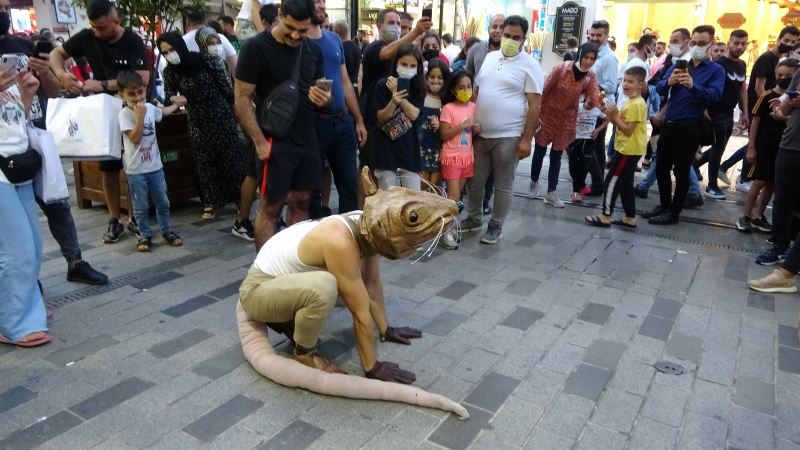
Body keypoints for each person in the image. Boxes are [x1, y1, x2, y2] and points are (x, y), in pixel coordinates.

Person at [238, 168, 456, 380]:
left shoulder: (368, 222)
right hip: (258, 291)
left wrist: (385, 329)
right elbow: (360, 312)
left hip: (282, 284)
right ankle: (304, 353)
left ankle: (287, 320)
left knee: (345, 286)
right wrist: (372, 366)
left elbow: (372, 284)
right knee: (326, 287)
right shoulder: (342, 241)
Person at [0, 4, 107, 285]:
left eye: (5, 7)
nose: (4, 11)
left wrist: (45, 73)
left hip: (34, 132)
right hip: (4, 144)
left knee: (56, 201)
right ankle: (25, 280)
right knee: (15, 220)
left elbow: (50, 91)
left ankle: (75, 261)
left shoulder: (22, 44)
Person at [49, 0, 149, 245]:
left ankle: (137, 217)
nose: (97, 33)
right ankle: (115, 218)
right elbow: (56, 54)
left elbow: (142, 78)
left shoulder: (133, 41)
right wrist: (61, 74)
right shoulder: (86, 37)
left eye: (102, 28)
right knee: (109, 167)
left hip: (132, 108)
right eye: (93, 27)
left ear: (116, 21)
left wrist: (102, 84)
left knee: (134, 166)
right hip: (102, 112)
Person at [235, 0, 331, 250]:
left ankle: (290, 262)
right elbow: (242, 99)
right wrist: (258, 142)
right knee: (271, 205)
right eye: (290, 27)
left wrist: (323, 98)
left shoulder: (313, 50)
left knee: (302, 200)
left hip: (306, 137)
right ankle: (265, 272)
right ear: (280, 14)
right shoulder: (255, 48)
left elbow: (319, 90)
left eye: (303, 30)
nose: (296, 35)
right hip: (273, 139)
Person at [462, 15, 543, 244]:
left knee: (503, 184)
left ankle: (495, 225)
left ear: (524, 39)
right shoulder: (489, 58)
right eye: (507, 35)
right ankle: (474, 218)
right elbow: (476, 91)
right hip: (480, 133)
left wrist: (527, 139)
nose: (509, 40)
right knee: (475, 182)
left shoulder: (530, 65)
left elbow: (535, 104)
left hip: (508, 136)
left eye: (515, 37)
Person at [159, 32, 245, 225]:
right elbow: (169, 94)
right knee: (203, 160)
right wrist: (174, 99)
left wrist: (236, 110)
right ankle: (209, 201)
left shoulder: (205, 59)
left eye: (172, 49)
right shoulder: (170, 71)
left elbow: (226, 87)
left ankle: (240, 198)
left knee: (230, 156)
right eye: (165, 52)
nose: (170, 54)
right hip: (196, 118)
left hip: (219, 113)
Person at [643, 25, 724, 225]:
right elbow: (659, 88)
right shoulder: (681, 63)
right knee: (661, 166)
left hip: (691, 126)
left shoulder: (716, 70)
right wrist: (669, 82)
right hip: (670, 123)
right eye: (694, 43)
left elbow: (714, 96)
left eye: (702, 43)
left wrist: (693, 86)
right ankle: (663, 204)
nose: (697, 46)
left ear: (711, 44)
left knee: (681, 170)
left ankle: (674, 212)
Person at [0, 63, 51, 347]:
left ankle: (27, 309)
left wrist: (26, 95)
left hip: (16, 167)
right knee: (17, 250)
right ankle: (14, 322)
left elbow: (12, 124)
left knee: (31, 245)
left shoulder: (5, 72)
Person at [718, 25, 800, 192]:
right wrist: (767, 105)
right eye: (786, 40)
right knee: (754, 144)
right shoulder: (767, 58)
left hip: (773, 107)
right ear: (779, 39)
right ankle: (743, 177)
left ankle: (725, 167)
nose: (789, 44)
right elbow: (759, 87)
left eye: (793, 42)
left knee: (754, 144)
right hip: (762, 107)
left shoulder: (782, 60)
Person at [307, 0, 367, 215]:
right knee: (311, 191)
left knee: (349, 187)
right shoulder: (298, 42)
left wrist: (358, 120)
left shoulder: (333, 39)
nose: (322, 6)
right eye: (316, 2)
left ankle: (349, 240)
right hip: (313, 124)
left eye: (323, 1)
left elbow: (344, 82)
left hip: (342, 123)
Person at [117, 71, 183, 252]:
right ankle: (144, 234)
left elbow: (162, 112)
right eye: (131, 94)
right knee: (140, 206)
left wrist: (176, 104)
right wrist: (139, 115)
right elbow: (135, 137)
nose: (137, 97)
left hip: (155, 166)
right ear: (122, 94)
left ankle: (167, 230)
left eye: (140, 92)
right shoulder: (124, 114)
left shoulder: (149, 108)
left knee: (163, 201)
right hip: (136, 170)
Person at [529, 42, 601, 208]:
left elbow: (595, 96)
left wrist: (600, 105)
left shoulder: (590, 77)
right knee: (540, 151)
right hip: (547, 115)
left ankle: (551, 192)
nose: (589, 61)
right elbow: (544, 91)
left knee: (556, 155)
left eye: (592, 58)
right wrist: (537, 113)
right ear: (580, 54)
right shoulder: (561, 69)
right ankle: (533, 182)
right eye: (586, 57)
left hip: (567, 119)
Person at [748, 65, 800, 289]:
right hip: (790, 144)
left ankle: (787, 270)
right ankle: (781, 247)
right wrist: (787, 105)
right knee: (784, 199)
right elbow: (785, 107)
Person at [359, 8, 431, 169]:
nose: (397, 27)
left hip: (400, 121)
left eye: (399, 24)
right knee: (369, 170)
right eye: (391, 23)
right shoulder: (374, 48)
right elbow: (385, 53)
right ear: (379, 26)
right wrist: (414, 33)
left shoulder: (404, 52)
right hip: (374, 120)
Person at [738, 59, 798, 233]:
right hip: (765, 144)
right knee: (759, 181)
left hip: (783, 145)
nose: (783, 78)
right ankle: (746, 215)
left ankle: (759, 215)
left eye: (788, 76)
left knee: (772, 183)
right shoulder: (767, 96)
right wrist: (751, 146)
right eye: (779, 75)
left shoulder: (793, 101)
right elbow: (755, 120)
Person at [585, 66, 648, 228]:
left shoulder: (637, 104)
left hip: (629, 150)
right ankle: (630, 217)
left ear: (641, 85)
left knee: (611, 181)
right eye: (624, 81)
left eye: (631, 82)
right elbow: (618, 123)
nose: (626, 84)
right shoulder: (630, 101)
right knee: (626, 184)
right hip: (626, 148)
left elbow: (627, 130)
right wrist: (606, 110)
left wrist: (613, 116)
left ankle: (606, 215)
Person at [693, 29, 749, 200]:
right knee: (718, 149)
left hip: (729, 113)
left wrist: (745, 112)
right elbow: (708, 88)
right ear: (729, 42)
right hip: (714, 112)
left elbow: (741, 89)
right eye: (736, 43)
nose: (739, 47)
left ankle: (693, 166)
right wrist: (704, 110)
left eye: (743, 44)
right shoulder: (719, 65)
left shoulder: (741, 65)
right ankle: (711, 186)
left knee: (720, 147)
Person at [370, 44, 424, 190]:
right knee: (390, 201)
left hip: (409, 153)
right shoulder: (383, 85)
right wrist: (393, 100)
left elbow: (414, 114)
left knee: (412, 202)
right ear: (396, 63)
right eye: (404, 64)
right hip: (386, 153)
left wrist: (399, 97)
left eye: (412, 65)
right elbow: (380, 117)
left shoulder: (418, 87)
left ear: (418, 67)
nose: (408, 68)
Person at [438, 70, 478, 249]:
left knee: (458, 196)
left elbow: (472, 132)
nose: (466, 90)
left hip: (466, 157)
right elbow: (444, 134)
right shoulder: (448, 108)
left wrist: (475, 129)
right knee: (453, 196)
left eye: (468, 86)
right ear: (453, 89)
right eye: (461, 87)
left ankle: (451, 227)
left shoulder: (473, 107)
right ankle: (445, 232)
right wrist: (461, 126)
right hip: (451, 157)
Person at [585, 19, 618, 194]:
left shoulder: (610, 58)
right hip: (590, 107)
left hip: (599, 110)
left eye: (599, 35)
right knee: (595, 148)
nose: (595, 38)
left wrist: (589, 87)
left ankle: (598, 185)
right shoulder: (593, 53)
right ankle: (599, 184)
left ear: (606, 36)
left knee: (589, 146)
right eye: (593, 34)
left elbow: (612, 86)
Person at [567, 96, 607, 203]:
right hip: (575, 141)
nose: (591, 103)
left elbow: (607, 120)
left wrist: (598, 130)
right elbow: (567, 118)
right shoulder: (578, 107)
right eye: (590, 99)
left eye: (594, 102)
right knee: (573, 166)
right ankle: (582, 186)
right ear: (585, 97)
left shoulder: (597, 110)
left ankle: (576, 192)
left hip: (589, 141)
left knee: (584, 167)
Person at [418, 58, 448, 194]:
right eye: (432, 77)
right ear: (426, 77)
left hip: (439, 150)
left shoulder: (447, 101)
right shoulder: (421, 97)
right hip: (421, 148)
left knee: (435, 187)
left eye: (440, 77)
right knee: (422, 185)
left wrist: (441, 124)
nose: (436, 81)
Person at [183, 7, 238, 75]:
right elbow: (234, 65)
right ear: (206, 21)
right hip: (221, 82)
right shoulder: (220, 37)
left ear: (188, 23)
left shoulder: (182, 41)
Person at [333, 20, 361, 90]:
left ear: (337, 32)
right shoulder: (356, 47)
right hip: (355, 86)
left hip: (344, 88)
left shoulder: (339, 50)